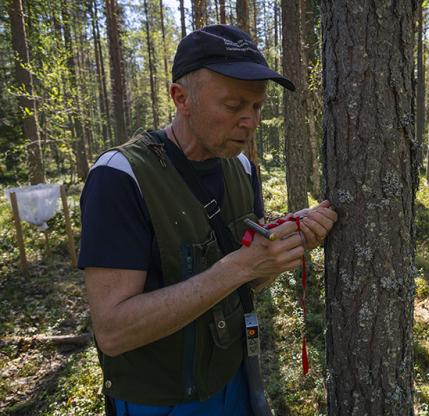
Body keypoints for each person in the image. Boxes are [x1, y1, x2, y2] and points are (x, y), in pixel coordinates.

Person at [78, 24, 337, 415]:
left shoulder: (243, 170)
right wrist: (238, 267)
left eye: (257, 107)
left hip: (234, 382)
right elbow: (113, 331)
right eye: (234, 106)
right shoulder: (121, 176)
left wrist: (283, 247)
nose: (249, 121)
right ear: (182, 98)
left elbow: (248, 282)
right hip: (157, 401)